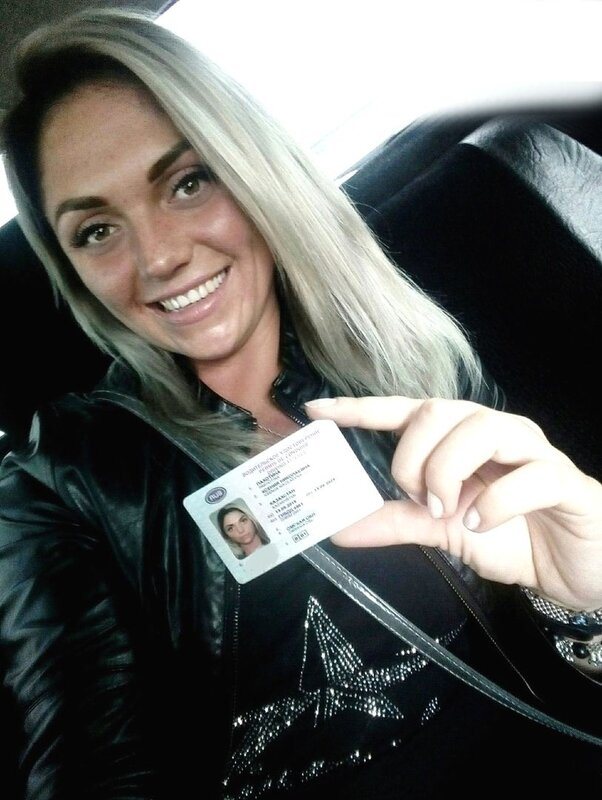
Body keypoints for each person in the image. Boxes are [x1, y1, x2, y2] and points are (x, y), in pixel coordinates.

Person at [0, 8, 600, 799]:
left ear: (254, 169)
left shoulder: (411, 352)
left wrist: (584, 601)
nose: (159, 257)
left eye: (188, 182)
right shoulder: (60, 484)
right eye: (97, 231)